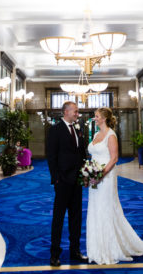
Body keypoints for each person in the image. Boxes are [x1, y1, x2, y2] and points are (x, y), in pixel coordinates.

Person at [86, 107, 143, 265]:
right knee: (95, 208)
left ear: (104, 118)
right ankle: (97, 246)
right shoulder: (97, 134)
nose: (95, 118)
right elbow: (93, 155)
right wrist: (90, 172)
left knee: (106, 208)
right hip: (95, 176)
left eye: (97, 116)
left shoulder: (111, 135)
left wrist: (100, 175)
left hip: (105, 176)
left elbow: (114, 159)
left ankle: (109, 248)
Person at [46, 101, 87, 267]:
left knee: (76, 217)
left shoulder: (78, 128)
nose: (77, 114)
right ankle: (55, 254)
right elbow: (51, 155)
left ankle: (75, 250)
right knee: (58, 218)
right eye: (75, 111)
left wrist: (85, 173)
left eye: (77, 112)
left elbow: (81, 153)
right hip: (62, 181)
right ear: (66, 112)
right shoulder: (55, 130)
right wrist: (56, 178)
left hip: (77, 180)